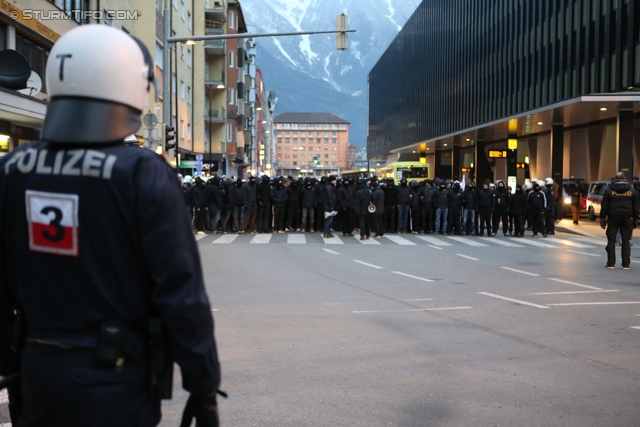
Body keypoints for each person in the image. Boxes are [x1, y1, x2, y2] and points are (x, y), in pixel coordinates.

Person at [0, 25, 221, 427]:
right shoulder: (142, 174)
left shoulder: (12, 169)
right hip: (115, 377)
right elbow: (181, 292)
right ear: (128, 85)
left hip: (36, 371)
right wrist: (202, 383)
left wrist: (11, 366)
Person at [600, 171, 639, 270]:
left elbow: (604, 205)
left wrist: (602, 218)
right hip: (627, 217)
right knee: (626, 240)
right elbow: (635, 207)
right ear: (625, 178)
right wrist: (635, 219)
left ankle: (611, 263)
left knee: (611, 240)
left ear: (615, 178)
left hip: (613, 217)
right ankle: (626, 264)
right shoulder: (632, 190)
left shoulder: (609, 190)